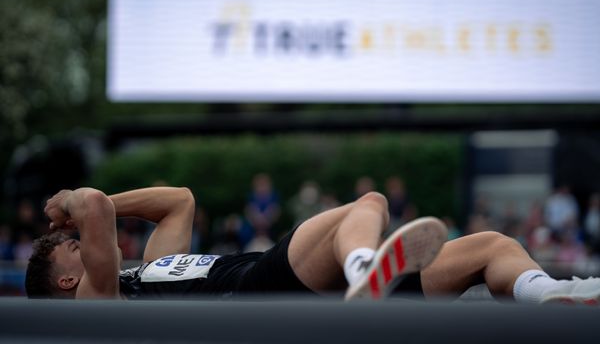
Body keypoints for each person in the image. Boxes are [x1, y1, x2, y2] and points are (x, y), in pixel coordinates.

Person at [26, 187, 600, 305]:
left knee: (489, 246)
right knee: (369, 205)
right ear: (70, 279)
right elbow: (96, 207)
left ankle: (550, 293)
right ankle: (362, 267)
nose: (81, 243)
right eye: (72, 248)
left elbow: (178, 200)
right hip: (257, 291)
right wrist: (71, 203)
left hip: (285, 279)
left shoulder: (151, 266)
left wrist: (92, 207)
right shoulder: (100, 298)